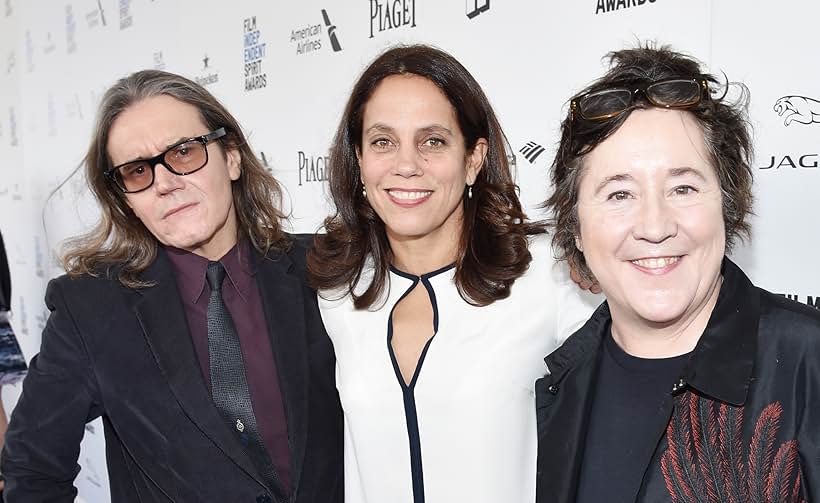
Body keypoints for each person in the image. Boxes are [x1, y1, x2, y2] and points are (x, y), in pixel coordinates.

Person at [1, 70, 343, 502]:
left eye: (183, 153)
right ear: (125, 197)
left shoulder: (327, 268)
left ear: (232, 156)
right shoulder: (89, 309)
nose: (164, 183)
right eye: (137, 171)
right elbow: (32, 470)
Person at [308, 44, 598, 503]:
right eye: (383, 141)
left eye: (433, 141)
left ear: (473, 158)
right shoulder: (339, 293)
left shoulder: (550, 275)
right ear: (359, 160)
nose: (406, 165)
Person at [535, 45, 820, 503]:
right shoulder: (560, 385)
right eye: (619, 194)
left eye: (683, 187)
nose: (655, 226)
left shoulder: (810, 361)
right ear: (577, 229)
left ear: (727, 205)